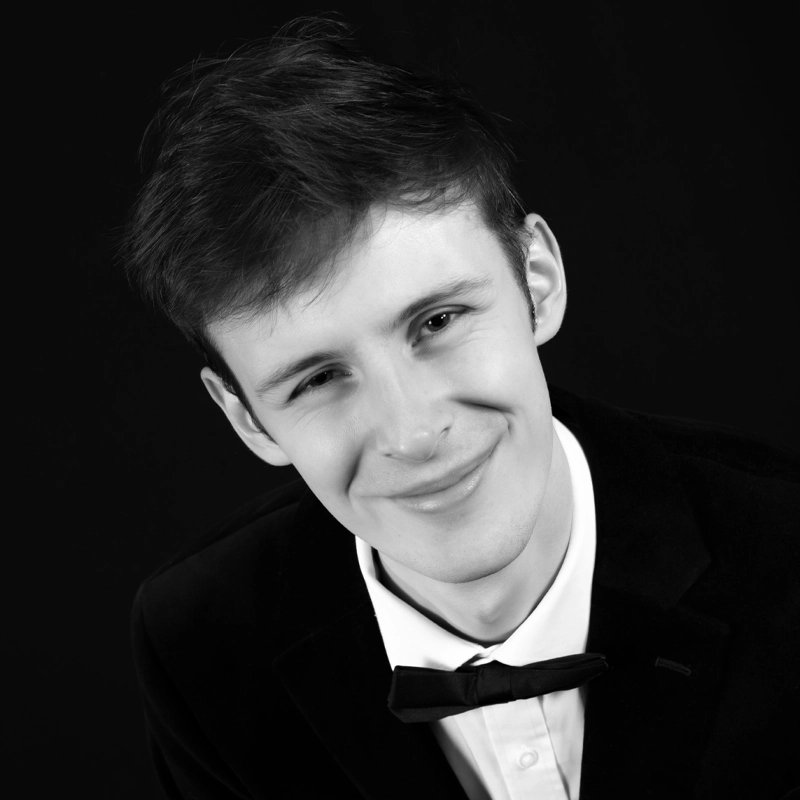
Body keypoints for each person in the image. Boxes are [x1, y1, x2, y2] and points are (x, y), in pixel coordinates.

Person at [125, 18, 799, 800]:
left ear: (537, 282)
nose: (412, 434)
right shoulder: (197, 641)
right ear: (247, 419)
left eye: (438, 322)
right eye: (315, 380)